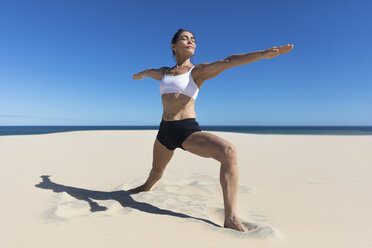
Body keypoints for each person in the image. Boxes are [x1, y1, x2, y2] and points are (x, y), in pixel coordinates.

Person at [131, 28, 294, 232]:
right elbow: (148, 71)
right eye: (185, 38)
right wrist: (140, 74)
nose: (191, 41)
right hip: (165, 130)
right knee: (156, 172)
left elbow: (229, 61)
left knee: (228, 152)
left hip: (186, 131)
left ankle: (231, 217)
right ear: (173, 46)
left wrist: (262, 54)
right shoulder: (164, 72)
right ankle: (144, 188)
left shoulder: (197, 71)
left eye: (193, 39)